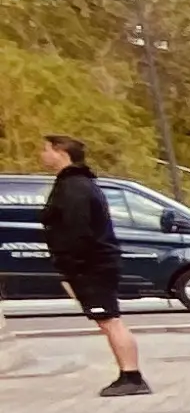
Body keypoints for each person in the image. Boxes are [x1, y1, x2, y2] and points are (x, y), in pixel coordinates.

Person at [39, 137, 147, 396]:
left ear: (61, 152)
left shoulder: (74, 187)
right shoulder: (74, 183)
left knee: (109, 320)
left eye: (46, 149)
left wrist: (71, 267)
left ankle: (132, 377)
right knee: (107, 321)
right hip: (91, 262)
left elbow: (77, 230)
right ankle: (129, 375)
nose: (42, 155)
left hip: (91, 264)